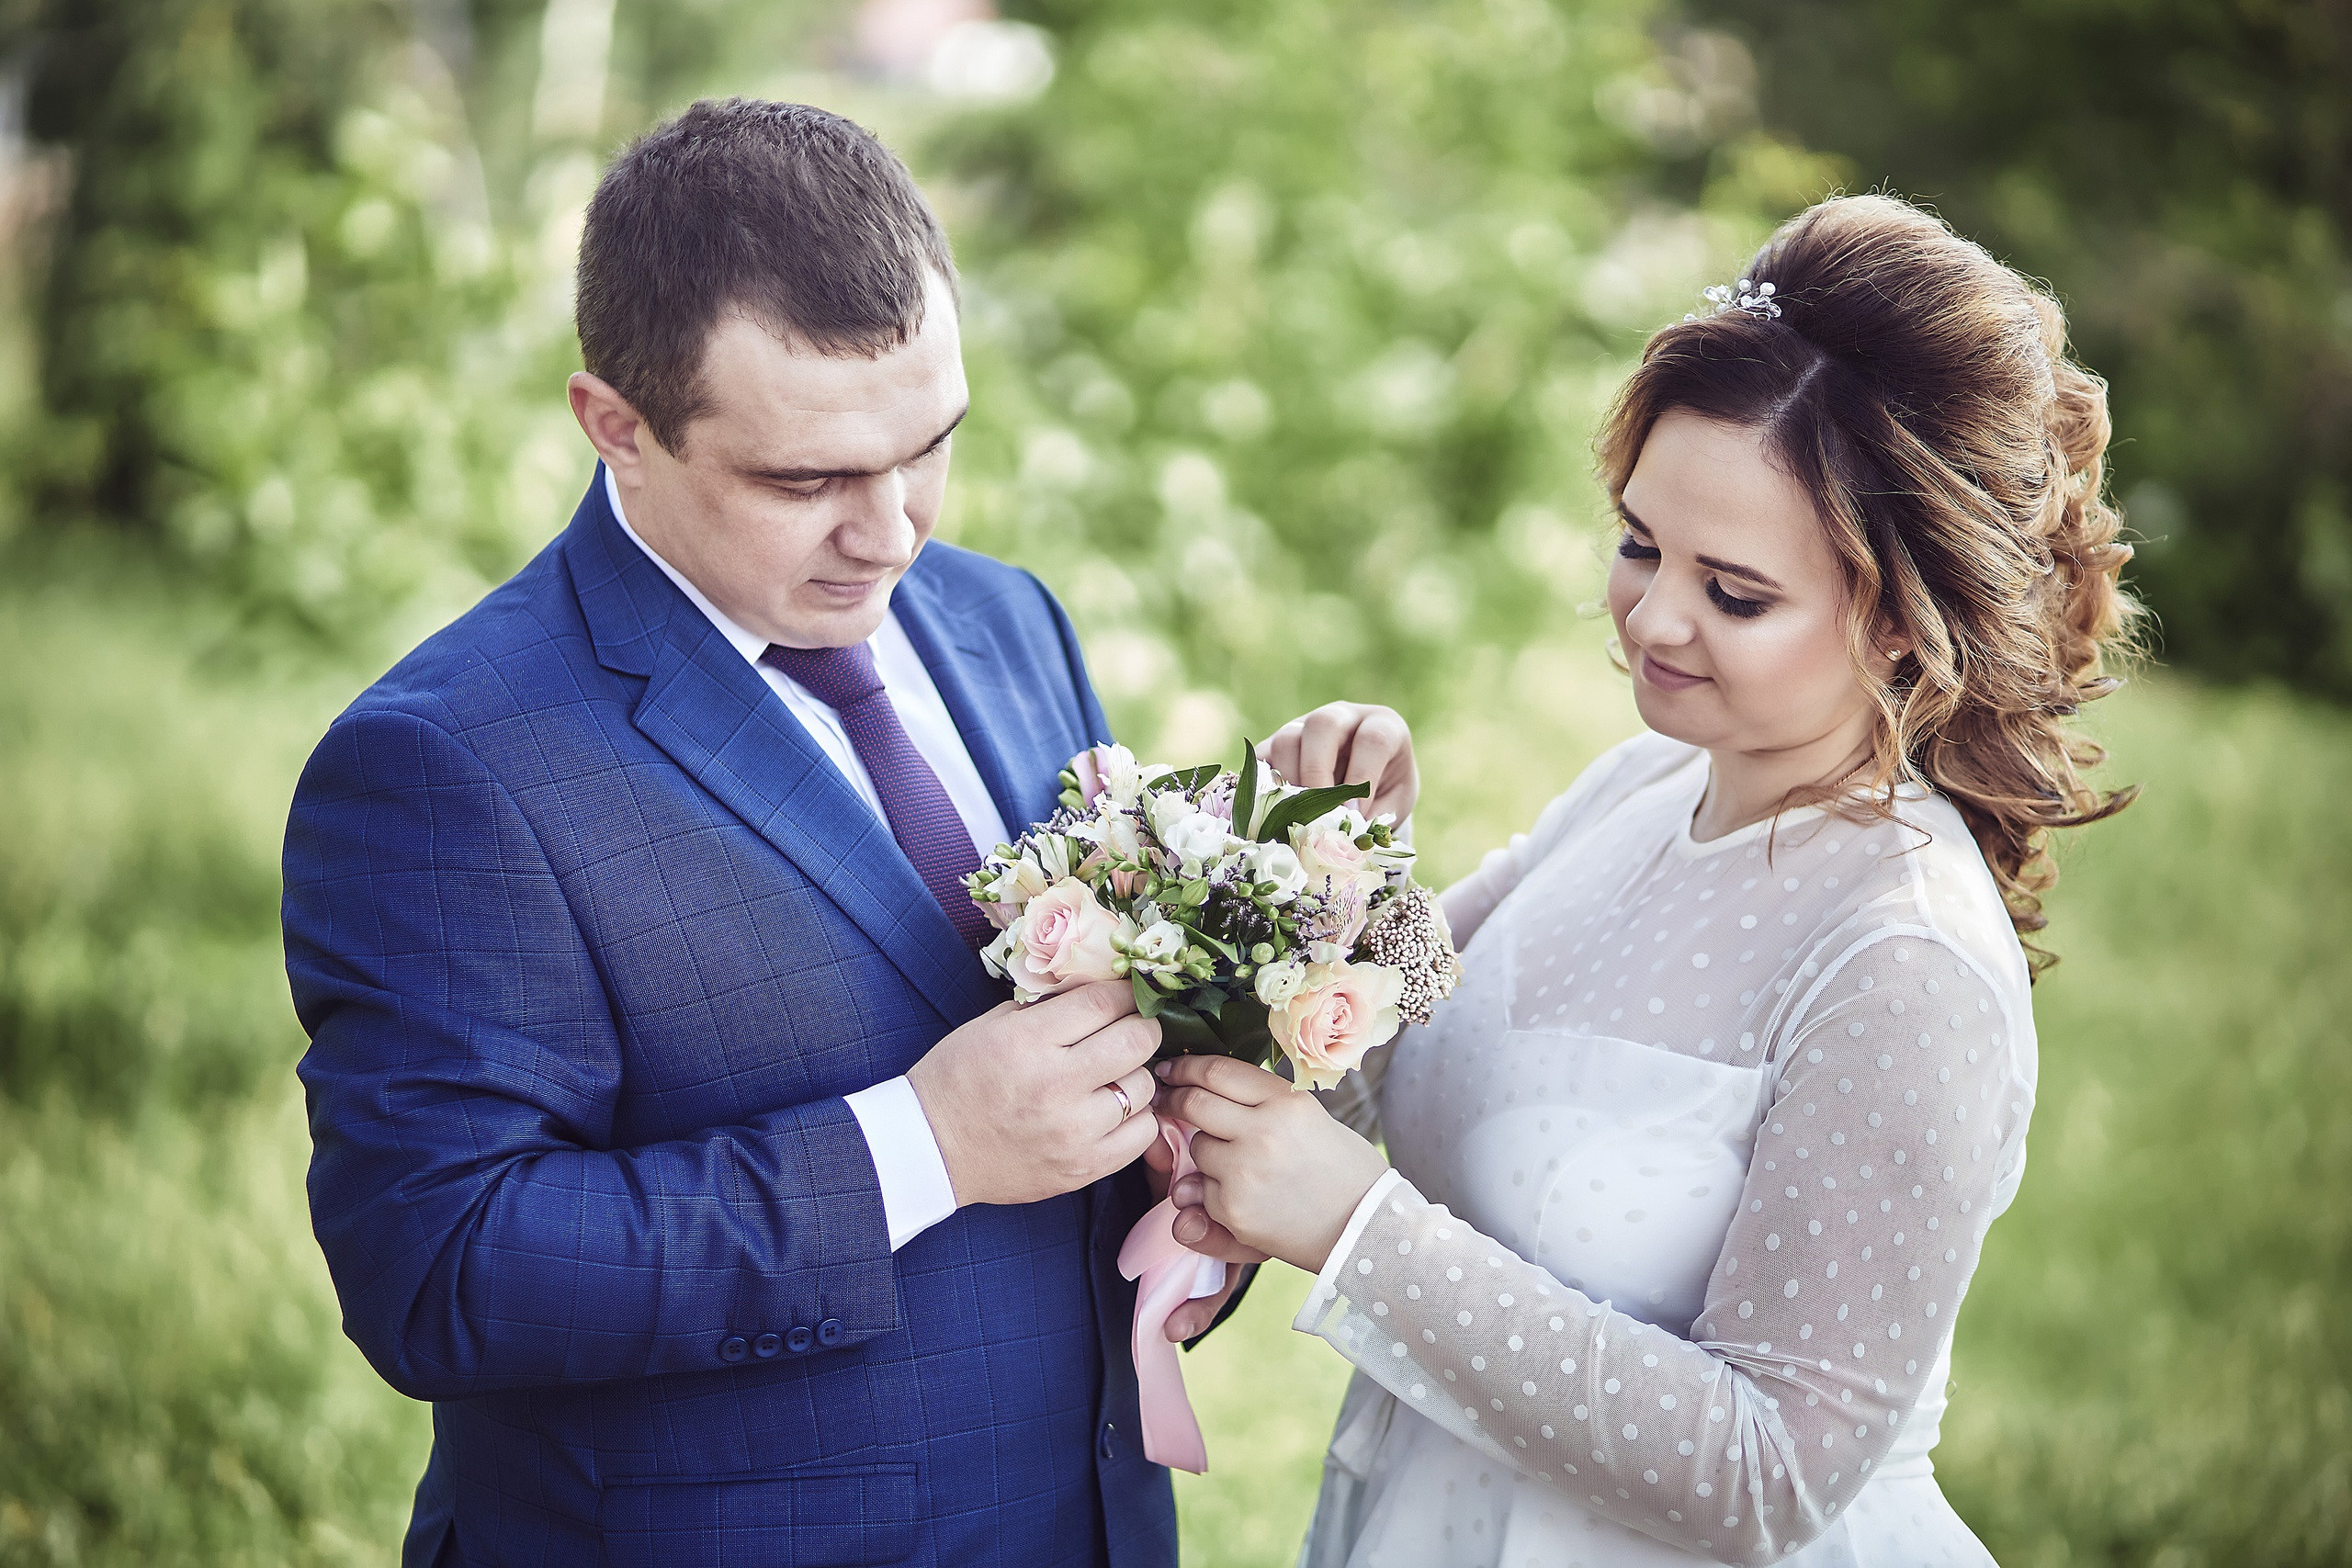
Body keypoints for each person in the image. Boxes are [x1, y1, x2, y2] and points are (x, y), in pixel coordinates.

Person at [282, 99, 1418, 1568]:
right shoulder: (444, 763)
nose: (892, 534)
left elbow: (1080, 1108)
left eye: (928, 447)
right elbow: (437, 1271)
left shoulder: (1008, 622)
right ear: (615, 427)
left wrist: (1287, 906)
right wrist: (922, 1146)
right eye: (806, 480)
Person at [1153, 193, 2139, 1566]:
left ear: (1912, 623)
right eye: (1638, 544)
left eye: (1736, 594)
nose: (1654, 619)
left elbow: (1771, 1476)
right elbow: (1400, 1065)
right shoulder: (1640, 788)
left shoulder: (1901, 962)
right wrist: (1345, 874)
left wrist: (1360, 1236)